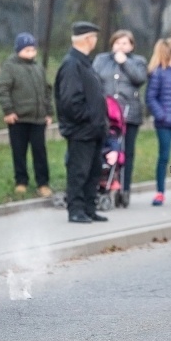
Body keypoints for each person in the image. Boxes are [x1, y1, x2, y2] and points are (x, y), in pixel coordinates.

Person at [54, 21, 109, 224]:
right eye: (94, 37)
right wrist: (89, 118)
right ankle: (76, 210)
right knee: (79, 172)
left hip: (93, 130)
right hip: (81, 130)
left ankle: (88, 208)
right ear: (88, 39)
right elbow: (70, 102)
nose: (95, 41)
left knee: (93, 171)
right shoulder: (72, 64)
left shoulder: (84, 62)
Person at [92, 29, 148, 207]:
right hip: (107, 115)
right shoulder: (102, 60)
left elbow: (140, 79)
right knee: (106, 151)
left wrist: (125, 63)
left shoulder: (138, 61)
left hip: (129, 114)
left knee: (126, 153)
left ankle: (124, 190)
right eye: (117, 42)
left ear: (131, 46)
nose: (120, 46)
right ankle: (103, 186)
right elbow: (94, 79)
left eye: (125, 43)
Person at [0, 31, 54, 197]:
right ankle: (21, 181)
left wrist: (48, 112)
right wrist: (8, 111)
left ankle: (43, 183)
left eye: (33, 50)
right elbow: (3, 89)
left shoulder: (38, 67)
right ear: (18, 50)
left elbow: (46, 90)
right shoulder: (10, 66)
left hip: (38, 119)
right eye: (27, 49)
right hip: (18, 119)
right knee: (19, 151)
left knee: (40, 152)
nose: (31, 53)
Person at [145, 38, 171, 206]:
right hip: (164, 123)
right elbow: (150, 97)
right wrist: (161, 115)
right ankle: (160, 192)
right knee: (163, 156)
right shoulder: (159, 72)